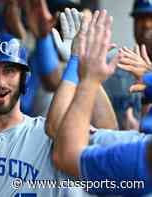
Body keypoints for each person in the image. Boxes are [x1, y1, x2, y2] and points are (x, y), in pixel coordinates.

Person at [52, 9, 152, 196]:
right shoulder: (138, 147)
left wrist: (79, 66)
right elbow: (110, 130)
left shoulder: (141, 156)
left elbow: (60, 141)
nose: (147, 25)